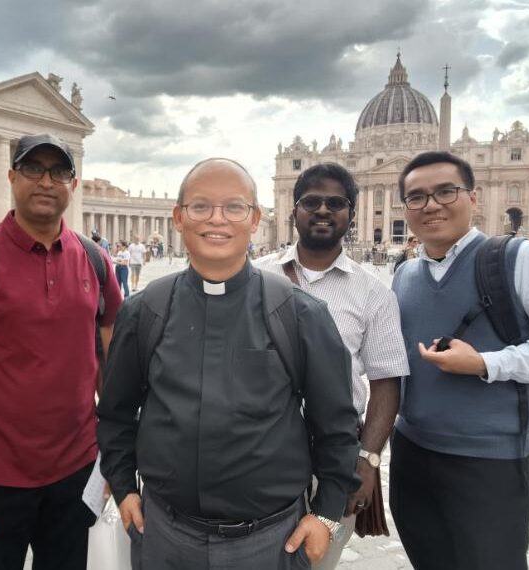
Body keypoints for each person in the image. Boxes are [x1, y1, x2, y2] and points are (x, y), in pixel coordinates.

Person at [97, 158, 360, 570]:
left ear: (255, 220)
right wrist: (124, 485)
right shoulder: (144, 311)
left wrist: (325, 514)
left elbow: (338, 428)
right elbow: (114, 413)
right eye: (201, 206)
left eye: (234, 207)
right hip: (164, 534)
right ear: (179, 217)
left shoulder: (301, 315)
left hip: (272, 541)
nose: (216, 219)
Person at [0, 133, 122, 570]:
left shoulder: (96, 260)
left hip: (77, 470)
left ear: (73, 185)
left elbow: (113, 370)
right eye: (33, 169)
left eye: (59, 172)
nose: (46, 181)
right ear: (12, 176)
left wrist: (114, 457)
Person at [390, 151, 529, 570]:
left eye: (445, 191)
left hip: (488, 459)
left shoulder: (520, 258)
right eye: (416, 197)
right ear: (406, 209)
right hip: (412, 453)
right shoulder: (404, 275)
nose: (431, 205)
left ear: (474, 197)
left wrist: (487, 364)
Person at [255, 163, 409, 570]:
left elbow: (386, 380)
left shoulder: (374, 291)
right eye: (312, 201)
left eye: (336, 203)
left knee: (317, 559)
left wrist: (368, 459)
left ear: (351, 214)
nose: (323, 210)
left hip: (335, 451)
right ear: (294, 211)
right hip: (257, 445)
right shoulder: (256, 276)